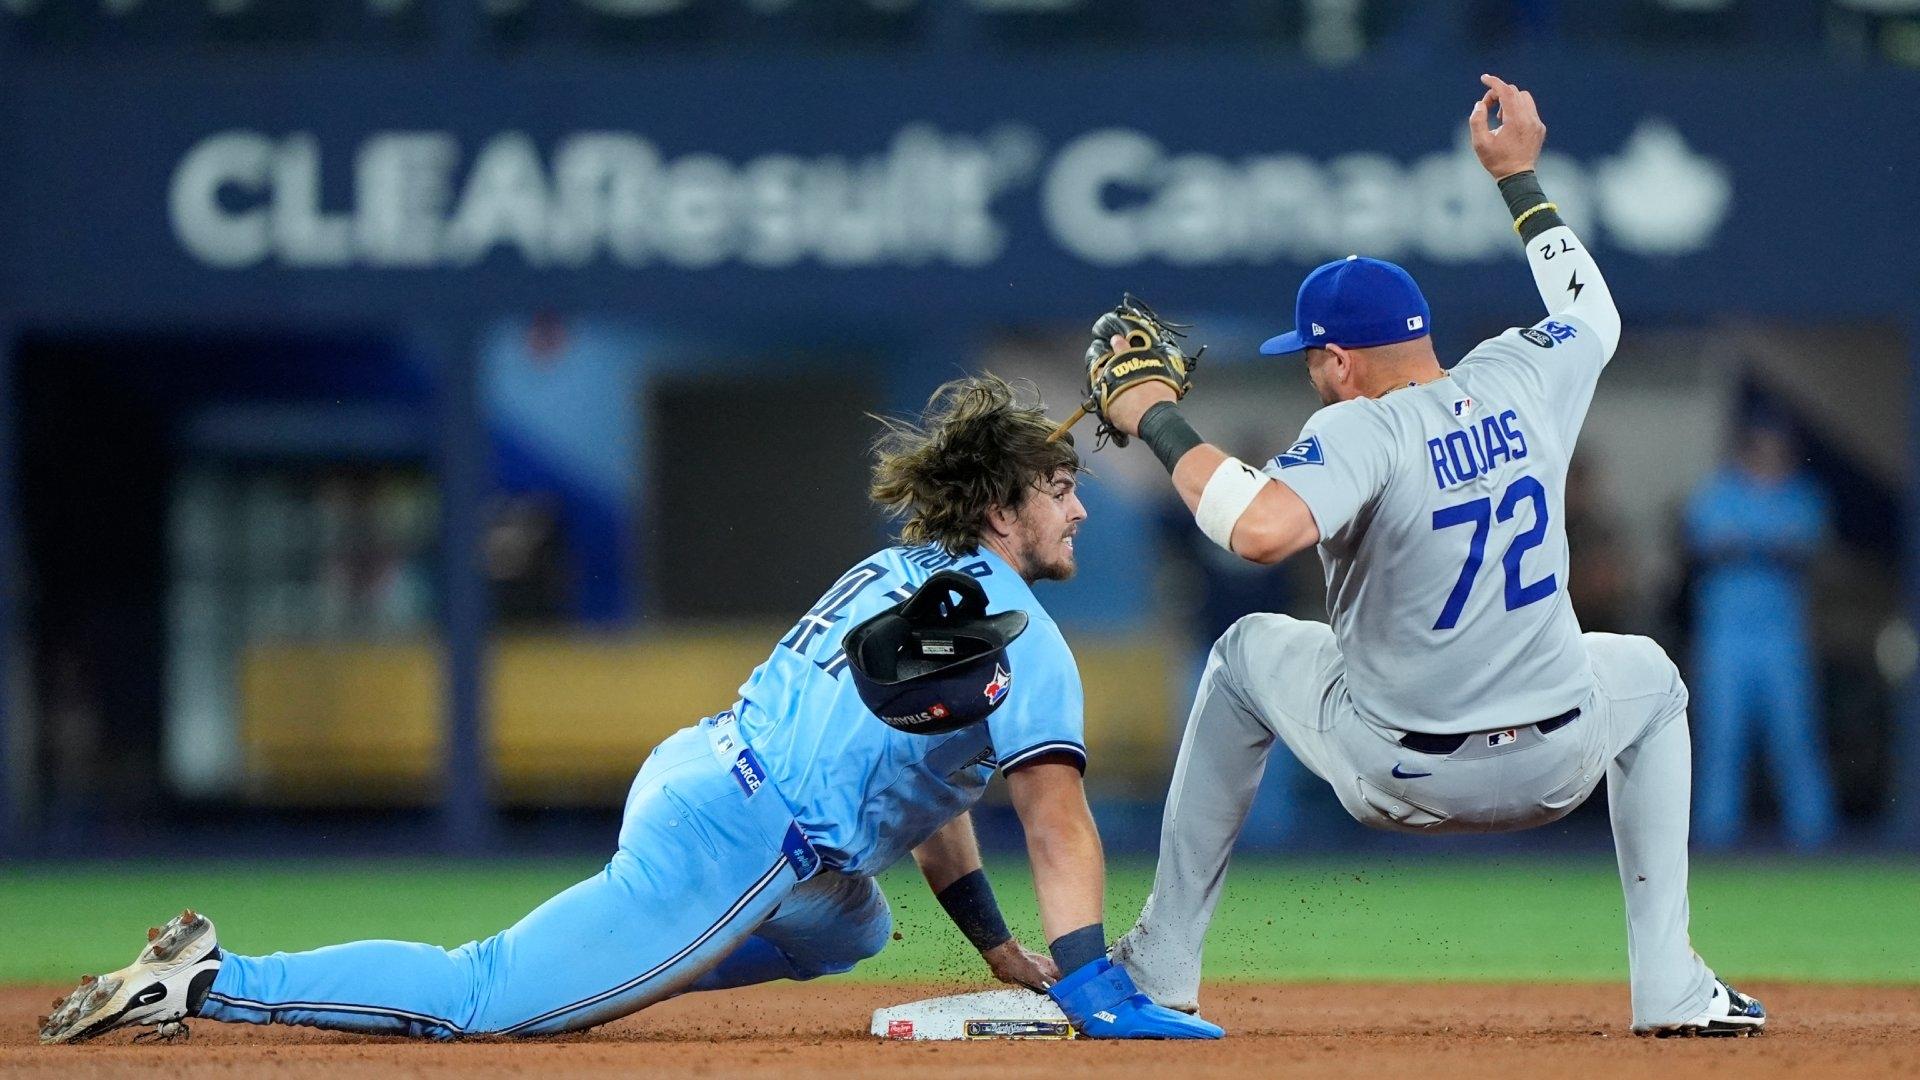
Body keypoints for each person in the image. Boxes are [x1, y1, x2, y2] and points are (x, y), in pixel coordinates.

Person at [39, 375, 1221, 1045]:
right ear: (1006, 505)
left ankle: (630, 956)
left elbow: (923, 783)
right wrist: (1087, 983)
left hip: (704, 772)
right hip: (744, 841)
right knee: (483, 998)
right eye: (1063, 487)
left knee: (857, 929)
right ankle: (209, 976)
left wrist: (997, 948)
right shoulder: (1022, 629)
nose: (1079, 507)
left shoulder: (902, 573)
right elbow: (1059, 822)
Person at [1077, 75, 1765, 1036]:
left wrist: (1154, 414)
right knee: (1647, 674)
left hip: (1404, 774)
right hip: (1560, 756)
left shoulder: (1362, 428)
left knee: (1239, 655)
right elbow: (1593, 311)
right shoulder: (1525, 375)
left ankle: (1161, 963)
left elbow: (1261, 528)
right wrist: (1519, 178)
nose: (1313, 376)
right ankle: (1671, 985)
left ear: (1339, 363)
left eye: (1310, 359)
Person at [1685, 418, 1837, 849]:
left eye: (1777, 447)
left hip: (1783, 639)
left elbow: (1803, 548)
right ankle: (1715, 839)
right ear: (1746, 449)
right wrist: (1767, 546)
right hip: (1726, 639)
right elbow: (1707, 544)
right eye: (1762, 445)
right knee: (1721, 739)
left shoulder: (1801, 495)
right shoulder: (1719, 492)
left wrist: (1748, 545)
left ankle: (1816, 838)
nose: (1770, 454)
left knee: (1795, 737)